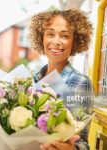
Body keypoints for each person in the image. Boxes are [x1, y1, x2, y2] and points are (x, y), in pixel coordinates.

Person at [28, 9, 94, 150]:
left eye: (64, 36)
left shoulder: (79, 83)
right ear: (41, 38)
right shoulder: (32, 80)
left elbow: (82, 143)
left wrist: (71, 148)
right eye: (50, 34)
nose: (56, 41)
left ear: (74, 41)